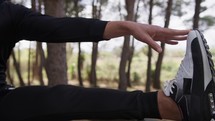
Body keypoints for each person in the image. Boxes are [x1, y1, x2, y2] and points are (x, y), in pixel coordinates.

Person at [0, 0, 214, 121]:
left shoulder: (7, 12)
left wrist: (125, 26)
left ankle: (175, 105)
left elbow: (59, 27)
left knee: (55, 98)